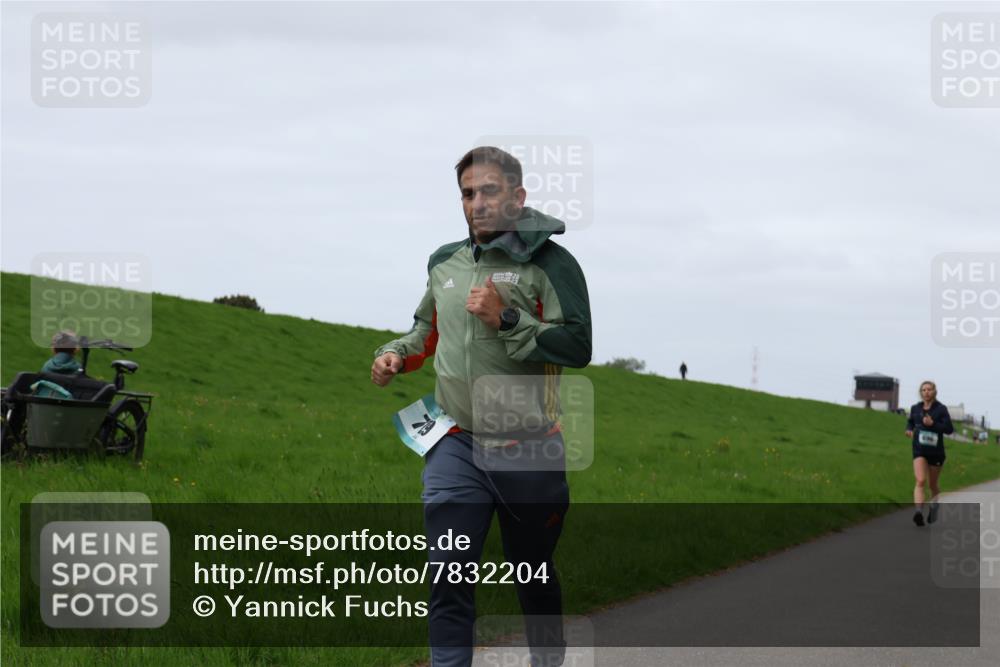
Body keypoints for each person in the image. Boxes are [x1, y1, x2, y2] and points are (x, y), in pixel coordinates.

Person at [371, 146, 592, 667]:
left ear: (517, 197)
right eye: (468, 194)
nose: (477, 204)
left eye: (489, 191)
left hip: (529, 451)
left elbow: (577, 346)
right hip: (455, 444)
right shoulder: (444, 262)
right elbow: (427, 329)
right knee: (448, 574)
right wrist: (394, 355)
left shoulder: (552, 266)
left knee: (532, 575)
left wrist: (509, 320)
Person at [905, 381, 954, 526]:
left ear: (934, 392)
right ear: (921, 392)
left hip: (936, 452)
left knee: (933, 484)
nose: (926, 392)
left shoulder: (941, 409)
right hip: (919, 450)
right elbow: (910, 422)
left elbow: (949, 429)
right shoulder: (915, 408)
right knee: (920, 480)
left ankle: (934, 508)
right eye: (923, 390)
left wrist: (932, 424)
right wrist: (909, 429)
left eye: (929, 389)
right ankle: (918, 512)